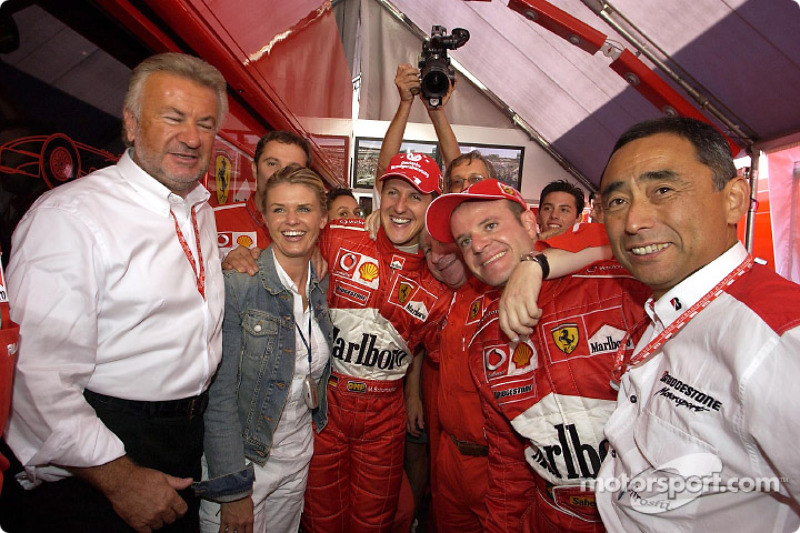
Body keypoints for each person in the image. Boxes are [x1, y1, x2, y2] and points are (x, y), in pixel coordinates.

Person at [1, 52, 227, 532]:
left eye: (205, 123)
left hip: (184, 435)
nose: (191, 137)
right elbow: (34, 379)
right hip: (103, 453)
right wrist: (120, 480)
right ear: (130, 123)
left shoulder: (198, 207)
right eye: (174, 118)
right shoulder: (71, 218)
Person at [594, 117, 800, 531]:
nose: (633, 221)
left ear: (735, 199)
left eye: (663, 190)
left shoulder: (776, 340)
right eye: (617, 201)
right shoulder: (677, 305)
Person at [426, 178, 649, 533]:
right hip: (550, 517)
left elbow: (638, 237)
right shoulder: (486, 337)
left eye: (490, 225)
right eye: (466, 240)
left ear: (530, 224)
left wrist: (535, 265)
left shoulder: (616, 283)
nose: (479, 246)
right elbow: (509, 466)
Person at [301, 152, 452, 532]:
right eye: (393, 193)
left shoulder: (441, 277)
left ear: (433, 203)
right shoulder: (338, 237)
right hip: (324, 408)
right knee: (322, 521)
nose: (400, 207)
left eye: (415, 197)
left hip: (384, 417)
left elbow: (437, 350)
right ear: (378, 194)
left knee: (373, 523)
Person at [197, 165, 333, 533]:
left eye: (304, 209)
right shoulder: (240, 284)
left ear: (323, 218)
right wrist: (232, 488)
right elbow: (218, 396)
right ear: (265, 217)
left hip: (297, 458)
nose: (292, 220)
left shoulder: (320, 283)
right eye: (279, 209)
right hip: (245, 464)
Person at [214, 130, 312, 256]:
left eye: (293, 168)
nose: (280, 173)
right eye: (272, 164)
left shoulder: (317, 230)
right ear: (255, 169)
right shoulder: (212, 220)